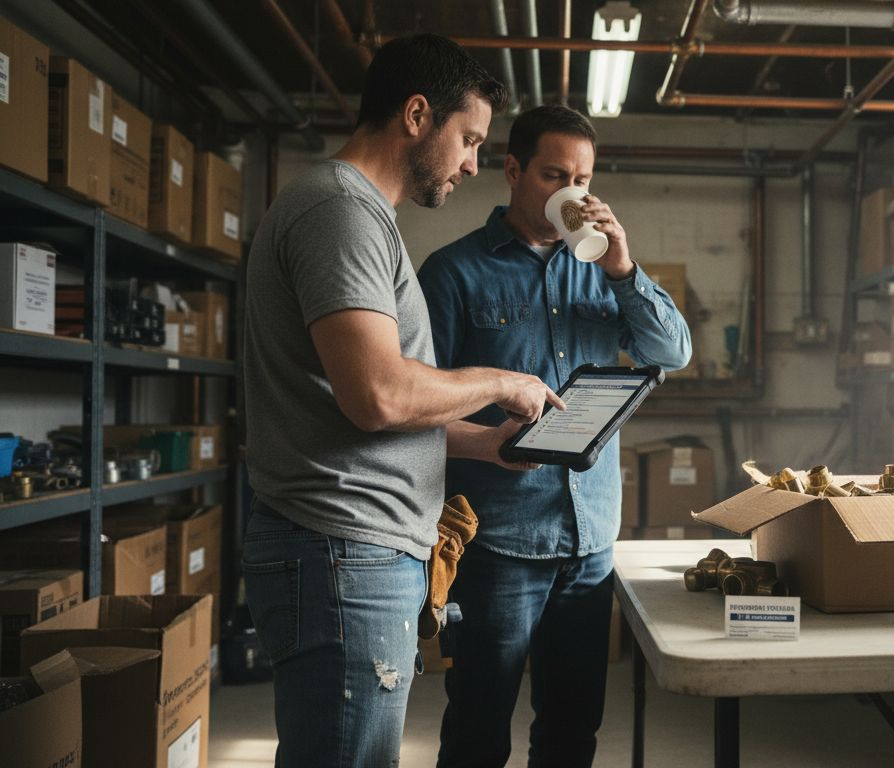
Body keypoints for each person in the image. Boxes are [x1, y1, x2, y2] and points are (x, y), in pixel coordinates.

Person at [240, 35, 564, 767]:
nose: (474, 163)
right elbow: (379, 394)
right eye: (470, 138)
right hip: (341, 555)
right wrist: (501, 382)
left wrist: (482, 443)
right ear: (418, 115)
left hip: (352, 554)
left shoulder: (356, 215)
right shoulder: (339, 213)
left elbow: (345, 402)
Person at [418, 104, 693, 768]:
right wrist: (487, 442)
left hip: (590, 542)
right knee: (479, 729)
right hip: (499, 546)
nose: (572, 190)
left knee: (573, 732)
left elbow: (674, 350)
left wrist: (624, 268)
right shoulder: (454, 274)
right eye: (553, 174)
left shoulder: (602, 271)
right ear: (512, 171)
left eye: (584, 177)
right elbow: (416, 413)